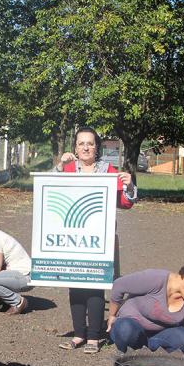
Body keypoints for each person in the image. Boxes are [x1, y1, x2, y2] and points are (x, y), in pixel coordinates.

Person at [54, 127, 137, 354]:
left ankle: (94, 337)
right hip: (72, 238)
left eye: (90, 143)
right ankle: (78, 334)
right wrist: (60, 166)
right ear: (75, 148)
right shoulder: (67, 169)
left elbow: (125, 202)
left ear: (97, 147)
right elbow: (50, 189)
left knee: (96, 287)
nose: (86, 147)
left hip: (100, 240)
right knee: (75, 286)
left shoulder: (110, 172)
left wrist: (128, 184)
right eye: (81, 144)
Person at [107, 258, 184, 359]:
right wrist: (112, 316)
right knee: (126, 329)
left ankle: (159, 365)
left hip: (157, 339)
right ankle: (130, 361)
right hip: (131, 330)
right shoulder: (156, 279)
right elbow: (119, 285)